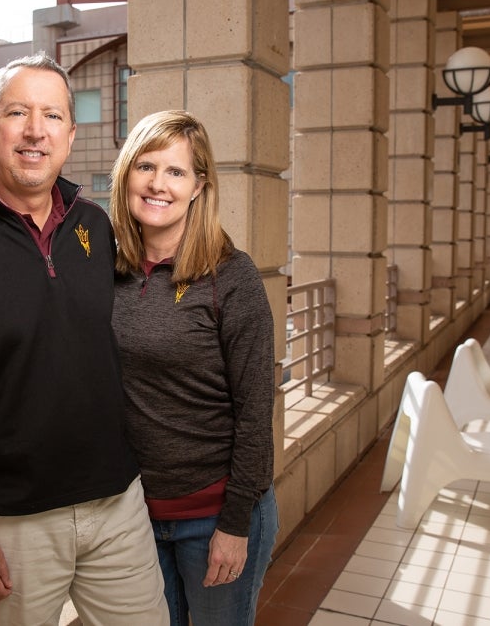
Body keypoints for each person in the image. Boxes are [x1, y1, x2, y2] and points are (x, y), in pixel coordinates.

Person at [0, 54, 168, 625]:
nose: (35, 131)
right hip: (11, 525)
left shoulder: (95, 225)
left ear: (70, 133)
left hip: (117, 507)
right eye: (17, 112)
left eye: (52, 115)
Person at [110, 110, 278, 626]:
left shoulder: (231, 276)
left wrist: (234, 524)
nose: (158, 184)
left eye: (176, 172)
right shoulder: (106, 271)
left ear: (199, 186)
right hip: (133, 516)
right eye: (146, 166)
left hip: (214, 517)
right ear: (126, 176)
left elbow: (255, 411)